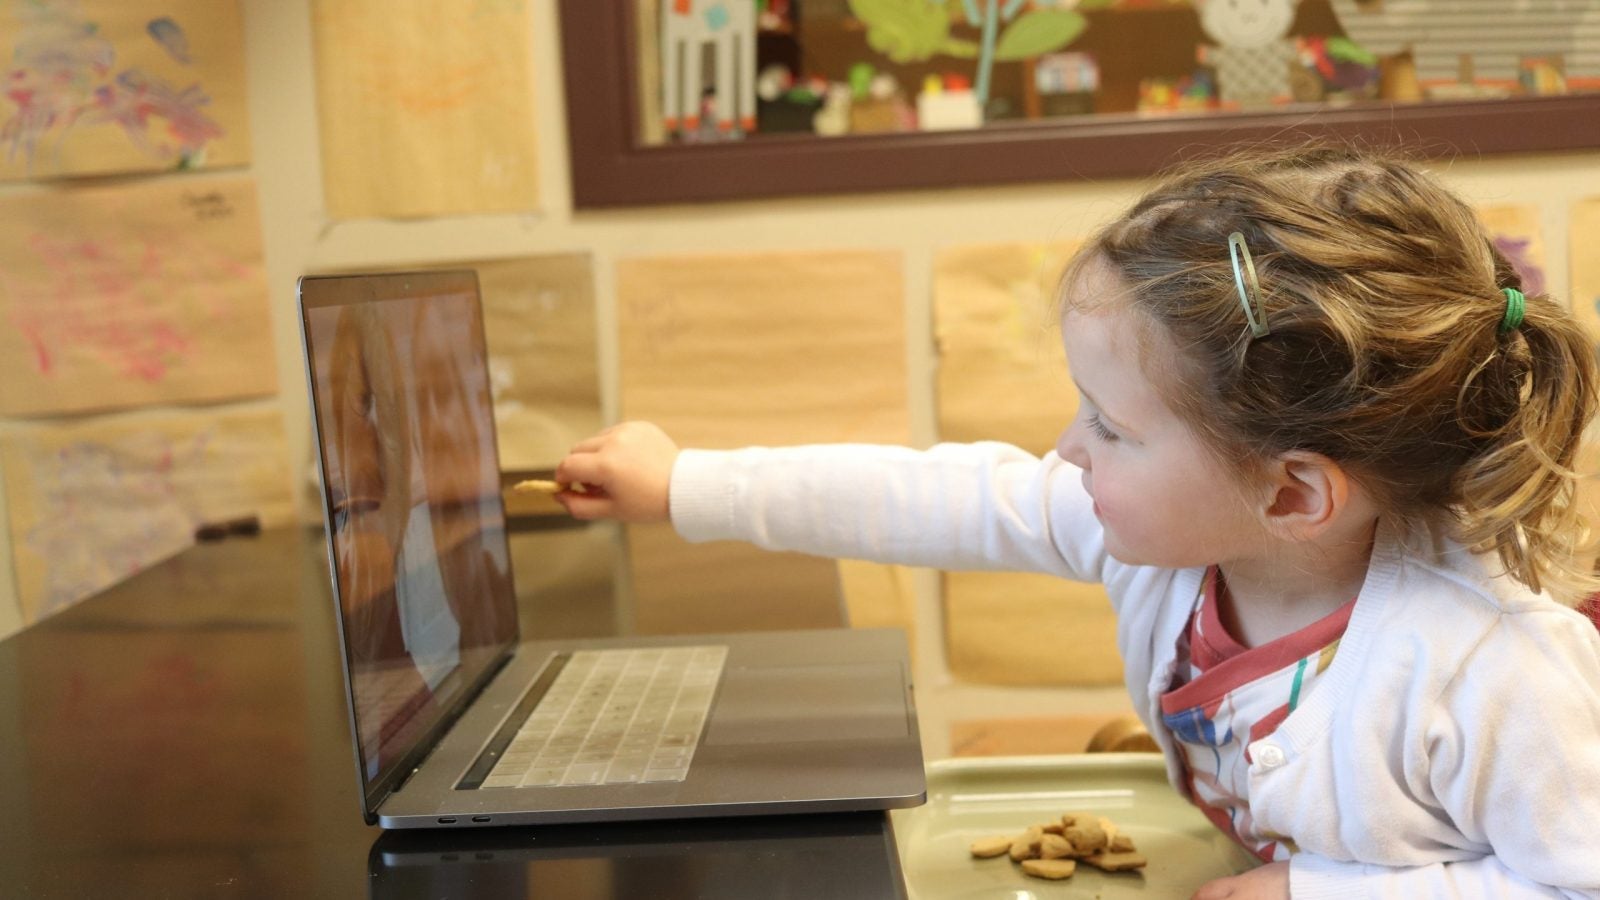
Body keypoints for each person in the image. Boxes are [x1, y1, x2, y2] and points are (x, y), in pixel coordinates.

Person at [552, 143, 1600, 898]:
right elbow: (931, 496)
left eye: (1110, 426)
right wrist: (684, 485)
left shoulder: (1491, 670)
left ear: (1289, 493)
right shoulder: (1166, 539)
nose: (1065, 449)